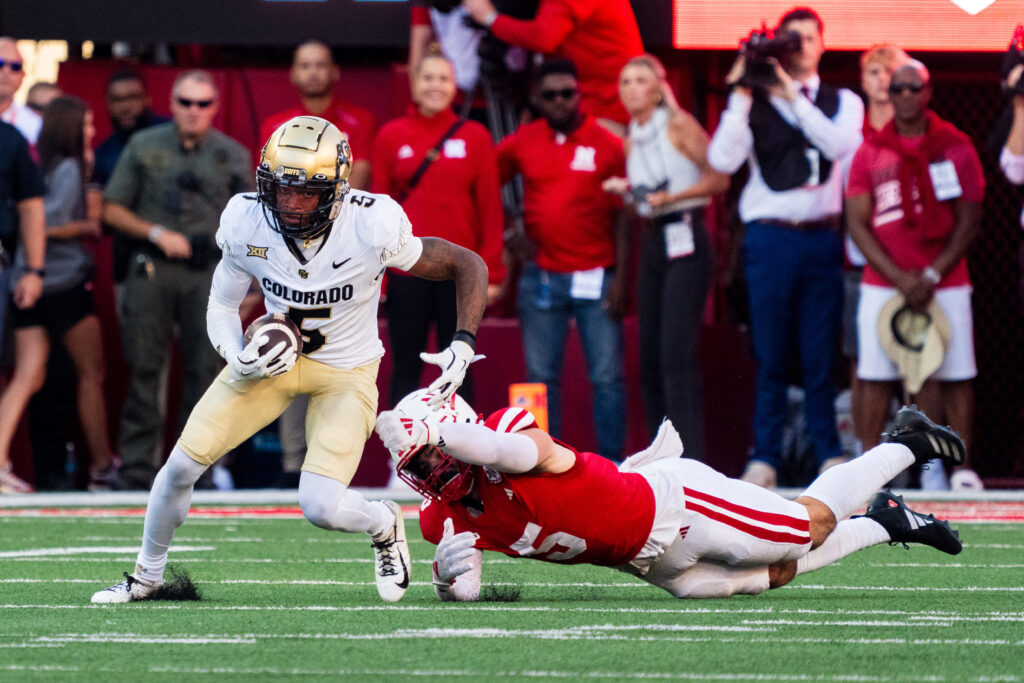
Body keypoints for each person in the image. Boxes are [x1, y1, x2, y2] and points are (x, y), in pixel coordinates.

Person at [90, 115, 489, 604]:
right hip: (273, 363)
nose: (292, 204)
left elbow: (465, 263)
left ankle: (383, 522)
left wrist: (464, 341)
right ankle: (147, 576)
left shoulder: (372, 223)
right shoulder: (245, 219)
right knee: (177, 468)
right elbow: (221, 304)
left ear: (337, 191)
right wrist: (238, 357)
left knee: (319, 506)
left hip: (347, 371)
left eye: (307, 192)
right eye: (281, 189)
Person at [376, 390, 964, 601]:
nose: (430, 468)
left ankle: (906, 443)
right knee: (776, 575)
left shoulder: (505, 434)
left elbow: (514, 455)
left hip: (677, 505)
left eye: (429, 451)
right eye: (418, 463)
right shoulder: (441, 516)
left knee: (804, 528)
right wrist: (449, 585)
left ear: (451, 430)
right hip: (650, 564)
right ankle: (888, 523)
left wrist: (439, 431)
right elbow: (470, 586)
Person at [707, 7, 864, 488]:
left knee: (820, 352)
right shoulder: (751, 101)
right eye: (787, 40)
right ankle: (766, 456)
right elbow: (722, 159)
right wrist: (740, 87)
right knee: (772, 351)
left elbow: (839, 146)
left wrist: (791, 96)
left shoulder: (844, 100)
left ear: (822, 44)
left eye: (806, 39)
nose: (797, 47)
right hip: (771, 235)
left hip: (821, 234)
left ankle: (828, 451)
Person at [102, 70, 253, 490]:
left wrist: (254, 287)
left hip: (210, 273)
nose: (193, 111)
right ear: (171, 104)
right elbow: (111, 208)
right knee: (144, 368)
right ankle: (136, 469)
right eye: (186, 102)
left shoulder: (233, 154)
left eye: (203, 104)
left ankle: (197, 470)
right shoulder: (144, 145)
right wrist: (155, 232)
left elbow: (258, 224)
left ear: (214, 107)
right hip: (153, 268)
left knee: (206, 373)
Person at [846, 60, 985, 491]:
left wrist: (931, 273)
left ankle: (951, 468)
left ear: (927, 93)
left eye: (913, 88)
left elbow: (971, 217)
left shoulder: (956, 146)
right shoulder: (870, 151)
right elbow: (857, 222)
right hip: (883, 280)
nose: (904, 96)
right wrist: (900, 277)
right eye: (897, 89)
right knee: (873, 373)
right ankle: (869, 471)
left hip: (946, 278)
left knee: (953, 371)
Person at [496, 59, 628, 462]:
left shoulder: (606, 143)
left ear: (579, 95)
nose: (558, 101)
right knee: (541, 379)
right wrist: (508, 234)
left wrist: (622, 277)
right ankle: (545, 466)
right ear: (537, 98)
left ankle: (614, 466)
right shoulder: (524, 140)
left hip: (597, 273)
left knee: (606, 378)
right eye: (549, 95)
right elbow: (485, 181)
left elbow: (624, 213)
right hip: (543, 276)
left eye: (566, 93)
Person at [603, 55, 729, 461]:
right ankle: (661, 460)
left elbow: (719, 177)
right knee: (650, 357)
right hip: (653, 237)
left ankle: (692, 461)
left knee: (676, 356)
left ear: (657, 88)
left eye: (640, 80)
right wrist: (631, 191)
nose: (631, 88)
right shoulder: (633, 135)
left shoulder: (678, 123)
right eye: (625, 81)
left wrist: (670, 197)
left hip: (686, 232)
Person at [0, 97, 119, 493]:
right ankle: (103, 467)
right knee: (92, 374)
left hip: (28, 279)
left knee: (28, 375)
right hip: (60, 283)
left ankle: (0, 459)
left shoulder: (43, 164)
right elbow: (41, 219)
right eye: (85, 125)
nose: (91, 132)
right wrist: (83, 225)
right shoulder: (69, 167)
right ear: (69, 128)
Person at [372, 52, 505, 407]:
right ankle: (400, 455)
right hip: (407, 269)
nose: (435, 85)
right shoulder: (390, 135)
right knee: (405, 364)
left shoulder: (476, 136)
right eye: (428, 78)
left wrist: (491, 271)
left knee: (460, 366)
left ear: (454, 86)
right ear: (414, 85)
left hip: (458, 274)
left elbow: (490, 208)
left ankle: (465, 456)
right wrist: (379, 277)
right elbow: (378, 214)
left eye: (443, 79)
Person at [461, 0, 643, 127]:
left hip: (605, 105)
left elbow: (544, 37)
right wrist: (533, 104)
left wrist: (490, 18)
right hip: (583, 99)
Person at [260, 39, 376, 191]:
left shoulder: (361, 121)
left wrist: (326, 210)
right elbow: (268, 178)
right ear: (292, 74)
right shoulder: (275, 126)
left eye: (320, 65)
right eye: (305, 66)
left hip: (344, 209)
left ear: (335, 72)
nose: (313, 72)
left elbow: (361, 173)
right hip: (290, 210)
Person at [0, 120, 45, 493]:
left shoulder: (9, 138)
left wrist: (33, 269)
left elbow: (32, 207)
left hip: (3, 265)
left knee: (31, 365)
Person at [93, 69, 169, 187]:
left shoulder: (173, 136)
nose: (125, 107)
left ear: (147, 100)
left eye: (133, 98)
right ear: (108, 104)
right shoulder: (102, 156)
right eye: (117, 100)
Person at [0, 37, 42, 145]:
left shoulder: (34, 125)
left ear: (23, 75)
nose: (6, 72)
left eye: (15, 67)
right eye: (0, 64)